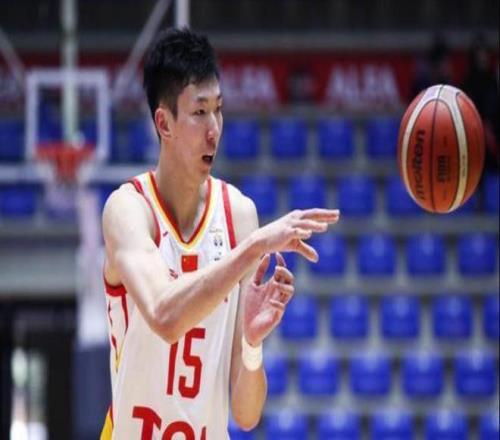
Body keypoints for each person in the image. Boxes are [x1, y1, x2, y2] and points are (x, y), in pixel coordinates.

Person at [99, 28, 340, 440]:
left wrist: (251, 345)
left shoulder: (238, 215)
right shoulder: (129, 210)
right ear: (164, 123)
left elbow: (246, 414)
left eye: (219, 110)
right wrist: (253, 247)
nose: (214, 129)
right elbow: (164, 315)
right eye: (199, 112)